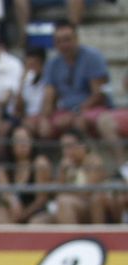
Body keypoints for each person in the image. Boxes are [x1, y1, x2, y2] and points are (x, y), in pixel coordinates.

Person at [32, 21, 125, 161]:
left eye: (67, 40)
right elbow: (49, 97)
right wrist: (45, 118)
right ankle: (46, 171)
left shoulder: (93, 57)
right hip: (66, 110)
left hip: (94, 108)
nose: (64, 45)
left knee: (79, 123)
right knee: (39, 127)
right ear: (55, 44)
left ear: (76, 39)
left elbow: (99, 95)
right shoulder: (53, 64)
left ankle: (97, 163)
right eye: (59, 41)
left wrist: (75, 113)